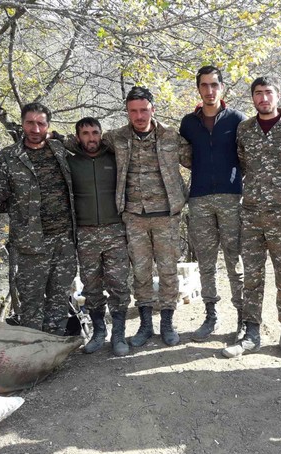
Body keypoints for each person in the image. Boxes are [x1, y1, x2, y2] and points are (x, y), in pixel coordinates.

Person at [222, 76, 281, 361]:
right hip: (252, 215)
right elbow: (243, 164)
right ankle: (251, 333)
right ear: (253, 98)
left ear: (278, 95)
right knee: (252, 277)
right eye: (258, 93)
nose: (263, 98)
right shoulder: (245, 129)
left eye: (268, 92)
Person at [103, 86, 190, 348]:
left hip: (166, 215)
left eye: (144, 110)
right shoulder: (116, 138)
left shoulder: (171, 136)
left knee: (168, 270)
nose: (139, 116)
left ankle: (167, 322)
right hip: (134, 216)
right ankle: (145, 324)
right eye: (133, 111)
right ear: (127, 112)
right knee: (140, 271)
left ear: (153, 109)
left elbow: (197, 159)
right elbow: (87, 142)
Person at [0, 103, 77, 334]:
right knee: (31, 301)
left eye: (41, 123)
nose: (35, 129)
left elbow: (85, 144)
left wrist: (59, 136)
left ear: (48, 126)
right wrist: (22, 214)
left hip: (65, 240)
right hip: (31, 244)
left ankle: (55, 344)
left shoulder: (60, 150)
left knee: (59, 298)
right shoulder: (8, 157)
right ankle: (33, 346)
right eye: (30, 123)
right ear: (22, 123)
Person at [179, 66, 247, 342]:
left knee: (235, 259)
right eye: (204, 85)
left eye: (214, 85)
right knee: (206, 261)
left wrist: (232, 177)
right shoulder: (188, 123)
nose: (209, 90)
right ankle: (211, 315)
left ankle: (242, 317)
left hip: (231, 197)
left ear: (222, 88)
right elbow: (185, 156)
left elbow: (245, 156)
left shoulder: (237, 120)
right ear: (198, 88)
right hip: (199, 198)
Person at [67, 117, 132, 355]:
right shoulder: (70, 162)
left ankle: (119, 334)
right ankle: (98, 332)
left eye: (95, 132)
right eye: (85, 133)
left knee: (119, 284)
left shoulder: (115, 158)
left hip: (115, 230)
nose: (91, 138)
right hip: (85, 233)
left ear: (101, 134)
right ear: (78, 137)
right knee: (91, 286)